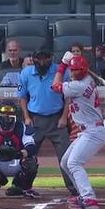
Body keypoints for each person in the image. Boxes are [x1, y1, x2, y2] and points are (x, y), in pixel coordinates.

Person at [18, 46, 78, 197]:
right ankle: (20, 186)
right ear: (34, 58)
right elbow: (23, 97)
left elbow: (68, 97)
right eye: (39, 58)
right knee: (27, 154)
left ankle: (74, 187)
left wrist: (64, 117)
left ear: (51, 57)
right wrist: (26, 117)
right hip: (35, 119)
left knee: (66, 156)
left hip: (56, 119)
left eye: (46, 58)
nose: (43, 61)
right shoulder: (26, 73)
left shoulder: (59, 71)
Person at [51, 54, 105, 209]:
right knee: (65, 163)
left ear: (83, 71)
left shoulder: (79, 86)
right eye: (72, 70)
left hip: (92, 132)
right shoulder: (88, 79)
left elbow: (55, 86)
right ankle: (83, 194)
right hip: (87, 131)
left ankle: (89, 198)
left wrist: (62, 64)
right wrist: (73, 62)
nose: (73, 73)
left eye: (76, 71)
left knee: (74, 162)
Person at [0, 100, 40, 199]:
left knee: (31, 161)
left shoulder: (22, 128)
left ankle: (26, 188)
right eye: (4, 113)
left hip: (17, 161)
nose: (7, 116)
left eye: (10, 114)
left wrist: (19, 153)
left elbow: (31, 147)